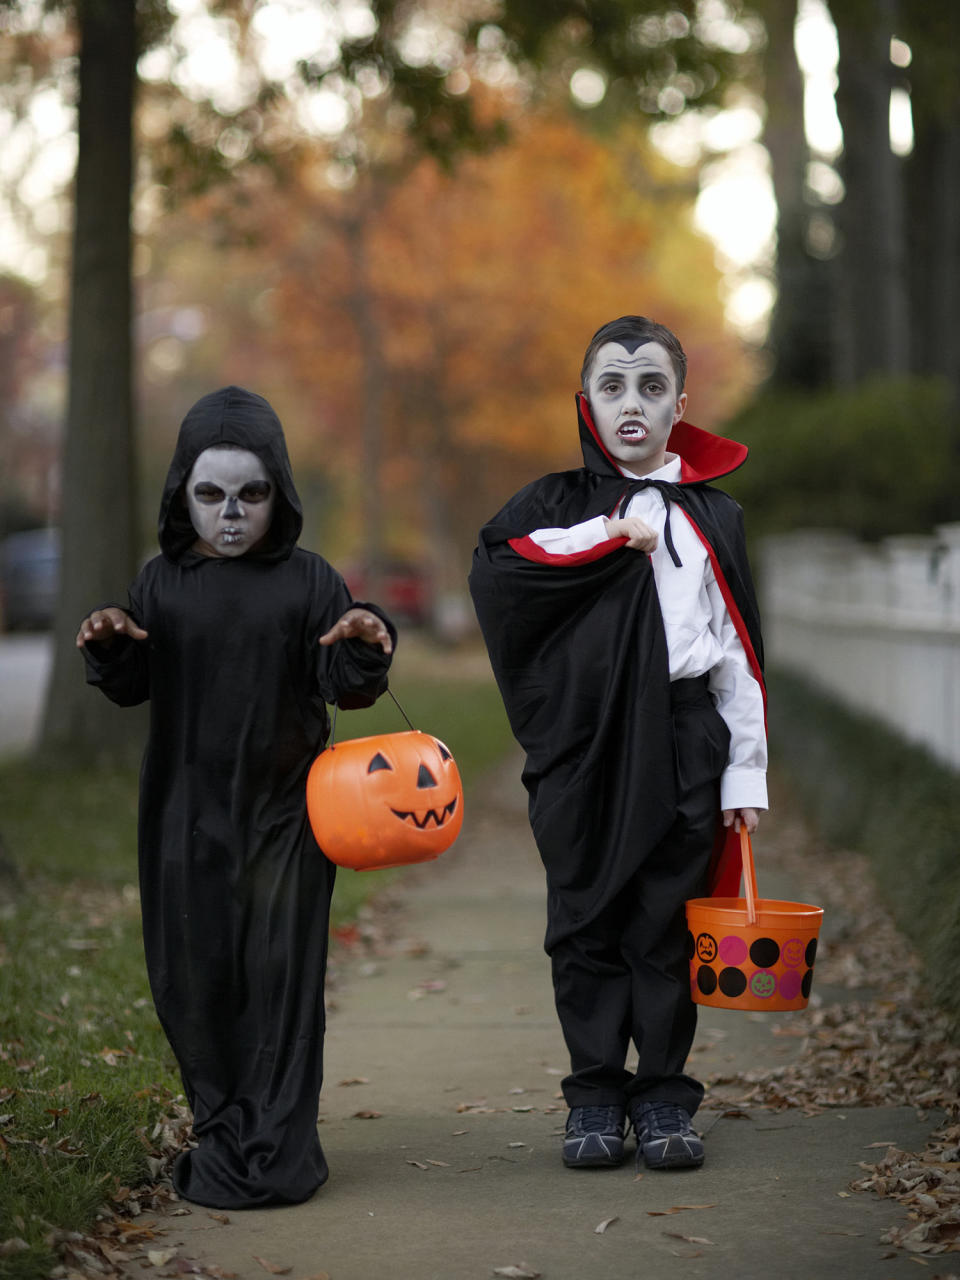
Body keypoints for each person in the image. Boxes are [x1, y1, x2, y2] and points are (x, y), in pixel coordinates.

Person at [77, 386, 396, 1209]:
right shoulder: (161, 585)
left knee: (280, 984)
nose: (229, 515)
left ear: (278, 492)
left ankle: (282, 1149)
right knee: (197, 978)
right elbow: (131, 682)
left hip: (289, 819)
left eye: (251, 495)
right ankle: (223, 1134)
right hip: (185, 820)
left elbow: (343, 684)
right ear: (183, 493)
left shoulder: (309, 582)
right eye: (210, 495)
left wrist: (362, 643)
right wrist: (112, 645)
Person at [469, 316, 766, 1173]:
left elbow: (739, 652)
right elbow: (505, 566)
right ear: (585, 403)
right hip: (585, 741)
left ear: (680, 405)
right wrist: (608, 537)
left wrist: (746, 773)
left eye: (649, 386)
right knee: (586, 920)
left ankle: (666, 1097)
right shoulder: (557, 504)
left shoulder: (714, 516)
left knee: (665, 926)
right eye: (611, 386)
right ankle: (595, 1095)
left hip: (683, 738)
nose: (630, 404)